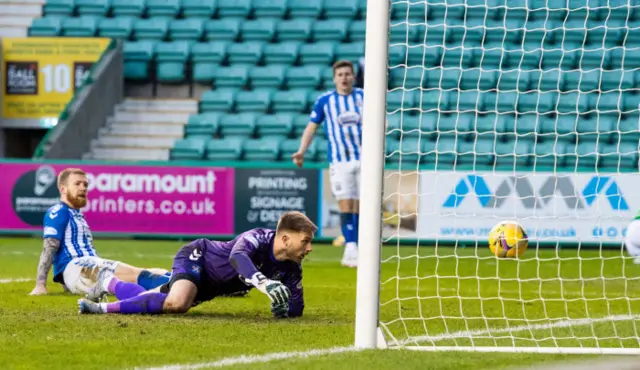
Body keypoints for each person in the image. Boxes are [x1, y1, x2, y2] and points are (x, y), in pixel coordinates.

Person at [77, 211, 317, 319]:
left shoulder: (291, 269)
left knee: (161, 295)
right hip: (199, 256)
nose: (309, 249)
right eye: (305, 241)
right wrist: (264, 283)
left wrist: (283, 311)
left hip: (210, 287)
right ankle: (99, 310)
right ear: (285, 238)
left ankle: (108, 281)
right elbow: (238, 258)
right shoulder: (258, 237)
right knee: (177, 303)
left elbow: (297, 307)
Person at [29, 168, 171, 297]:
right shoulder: (58, 211)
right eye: (77, 184)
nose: (83, 188)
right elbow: (50, 247)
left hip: (87, 267)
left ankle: (181, 281)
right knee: (138, 275)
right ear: (63, 189)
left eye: (85, 185)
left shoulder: (77, 214)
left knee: (151, 272)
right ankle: (183, 287)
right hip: (78, 267)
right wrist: (40, 284)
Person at [292, 60, 362, 268]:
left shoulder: (364, 97)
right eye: (340, 74)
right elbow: (311, 127)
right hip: (340, 161)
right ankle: (351, 247)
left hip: (365, 159)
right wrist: (301, 151)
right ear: (334, 79)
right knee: (346, 203)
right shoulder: (325, 101)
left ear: (353, 77)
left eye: (347, 74)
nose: (344, 78)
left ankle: (356, 245)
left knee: (360, 205)